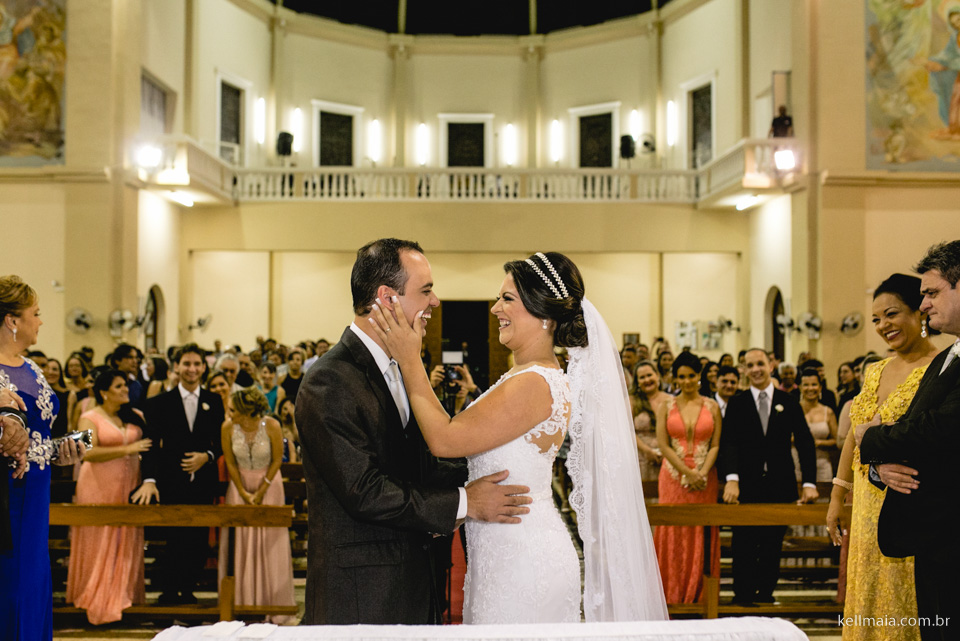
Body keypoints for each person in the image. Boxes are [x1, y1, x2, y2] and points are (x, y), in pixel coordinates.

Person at [369, 248, 668, 623]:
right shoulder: (527, 376)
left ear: (544, 314)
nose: (496, 308)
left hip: (523, 563)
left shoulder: (534, 383)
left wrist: (410, 359)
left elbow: (445, 439)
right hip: (505, 552)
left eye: (507, 299)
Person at [295, 239, 532, 625]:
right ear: (387, 298)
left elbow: (420, 466)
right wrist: (465, 502)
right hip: (362, 595)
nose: (435, 301)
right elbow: (365, 492)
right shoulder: (330, 379)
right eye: (425, 291)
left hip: (416, 582)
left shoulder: (403, 367)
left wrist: (494, 470)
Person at [857, 242, 960, 641]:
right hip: (933, 538)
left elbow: (939, 427)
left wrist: (871, 437)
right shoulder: (947, 358)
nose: (925, 304)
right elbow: (914, 430)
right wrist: (880, 468)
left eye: (932, 293)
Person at [827, 273, 936, 640]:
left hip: (906, 501)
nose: (883, 325)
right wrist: (837, 495)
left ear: (919, 311)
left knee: (902, 599)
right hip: (864, 506)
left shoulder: (938, 369)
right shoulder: (876, 370)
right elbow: (853, 437)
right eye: (876, 319)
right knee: (866, 593)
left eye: (891, 314)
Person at [1, 275, 85, 641]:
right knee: (11, 579)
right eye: (35, 313)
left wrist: (58, 452)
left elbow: (37, 437)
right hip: (8, 490)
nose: (40, 321)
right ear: (12, 320)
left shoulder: (32, 367)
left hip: (37, 486)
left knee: (34, 575)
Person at [719, 347, 818, 605]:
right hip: (746, 485)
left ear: (771, 366)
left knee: (772, 544)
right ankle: (742, 598)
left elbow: (805, 442)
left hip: (780, 485)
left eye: (760, 364)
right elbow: (729, 442)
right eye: (750, 365)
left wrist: (809, 482)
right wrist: (732, 478)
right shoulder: (737, 403)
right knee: (744, 543)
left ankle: (765, 596)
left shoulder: (789, 401)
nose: (755, 370)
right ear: (744, 370)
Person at [132, 343, 225, 605]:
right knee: (173, 537)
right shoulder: (159, 402)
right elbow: (151, 445)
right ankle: (169, 592)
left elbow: (220, 442)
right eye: (186, 363)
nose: (191, 369)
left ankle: (189, 590)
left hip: (203, 480)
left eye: (196, 364)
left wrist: (206, 457)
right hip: (171, 480)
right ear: (176, 367)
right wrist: (150, 479)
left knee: (198, 539)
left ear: (204, 368)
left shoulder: (214, 401)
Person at [66, 370, 151, 624]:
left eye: (125, 385)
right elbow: (86, 453)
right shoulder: (88, 417)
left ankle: (124, 596)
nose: (125, 389)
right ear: (104, 392)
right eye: (119, 386)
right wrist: (128, 449)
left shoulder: (135, 416)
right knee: (99, 538)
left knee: (125, 538)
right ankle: (95, 597)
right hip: (98, 485)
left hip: (129, 483)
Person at [218, 386, 295, 624]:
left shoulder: (271, 425)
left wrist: (262, 490)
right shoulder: (227, 428)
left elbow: (277, 459)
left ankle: (272, 603)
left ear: (247, 410)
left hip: (269, 486)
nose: (229, 413)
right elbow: (230, 462)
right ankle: (242, 602)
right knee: (241, 541)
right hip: (239, 486)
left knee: (270, 542)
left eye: (233, 410)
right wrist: (242, 491)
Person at [653, 351, 721, 603]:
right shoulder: (666, 406)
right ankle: (670, 596)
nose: (687, 381)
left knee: (702, 531)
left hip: (705, 478)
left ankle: (701, 597)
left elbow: (715, 445)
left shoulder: (712, 406)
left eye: (691, 376)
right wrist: (687, 472)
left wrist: (701, 473)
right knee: (673, 531)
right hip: (673, 477)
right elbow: (663, 445)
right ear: (675, 378)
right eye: (681, 377)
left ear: (699, 376)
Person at [630, 360, 671, 482]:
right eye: (642, 377)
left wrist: (666, 451)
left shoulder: (670, 400)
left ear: (657, 376)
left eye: (649, 375)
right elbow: (628, 431)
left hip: (668, 457)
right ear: (637, 382)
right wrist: (647, 451)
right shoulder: (632, 401)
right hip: (641, 457)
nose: (647, 380)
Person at [796, 367, 838, 482]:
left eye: (814, 384)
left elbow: (837, 441)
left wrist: (819, 442)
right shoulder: (793, 409)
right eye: (806, 385)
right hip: (797, 464)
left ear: (820, 387)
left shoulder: (828, 412)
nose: (810, 388)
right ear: (800, 387)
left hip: (822, 464)